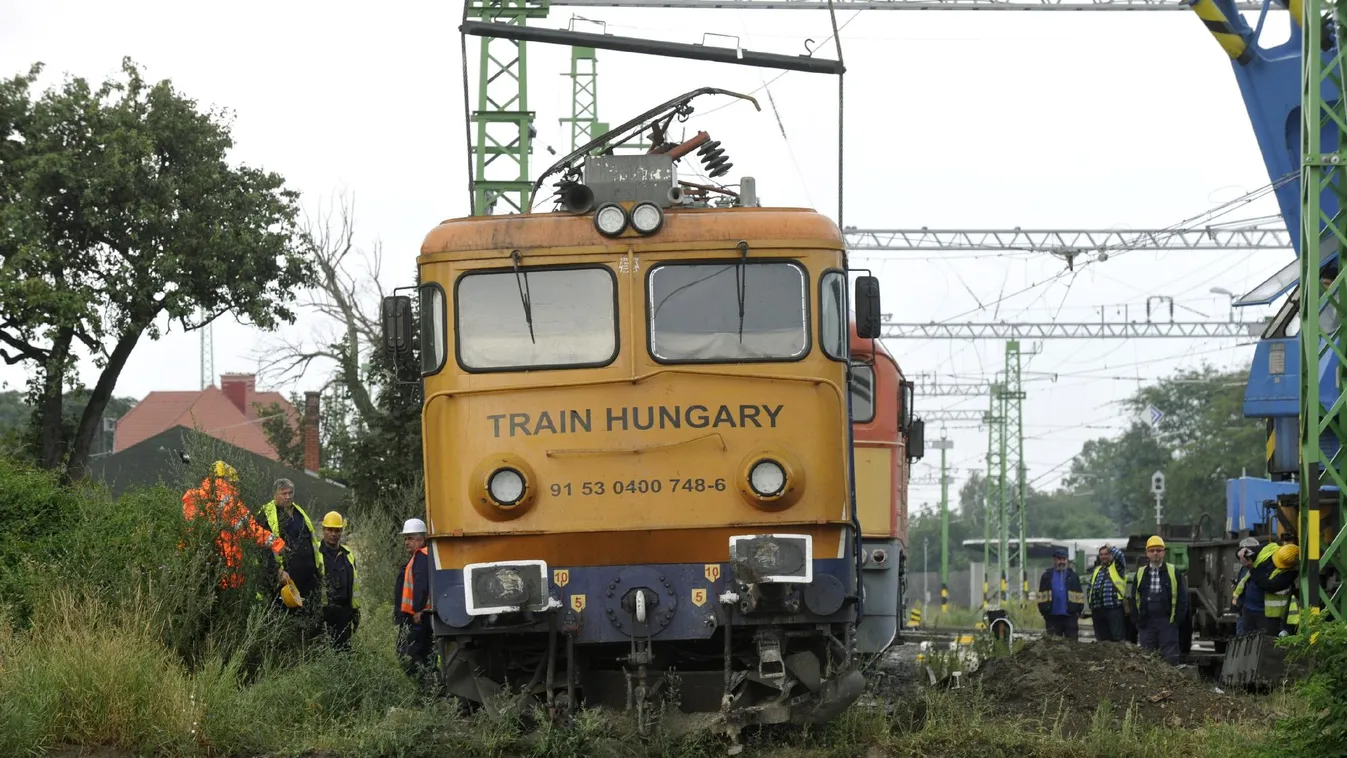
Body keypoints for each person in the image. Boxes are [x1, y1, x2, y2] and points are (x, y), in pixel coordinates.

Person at [182, 460, 286, 591]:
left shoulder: (194, 496)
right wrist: (277, 543)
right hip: (225, 566)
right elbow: (250, 529)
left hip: (194, 563)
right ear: (228, 480)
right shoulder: (229, 501)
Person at [259, 478, 325, 610]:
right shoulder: (267, 514)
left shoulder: (299, 512)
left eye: (290, 493)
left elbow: (311, 539)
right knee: (288, 617)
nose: (288, 497)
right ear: (275, 494)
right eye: (284, 494)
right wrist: (277, 571)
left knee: (311, 616)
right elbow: (261, 547)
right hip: (286, 579)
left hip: (309, 577)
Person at [1130, 535, 1188, 665]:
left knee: (1170, 659)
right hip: (1147, 622)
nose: (1155, 553)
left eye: (1158, 550)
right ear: (1147, 554)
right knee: (1147, 660)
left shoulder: (1173, 572)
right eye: (1152, 550)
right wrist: (1138, 622)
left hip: (1167, 622)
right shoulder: (1140, 573)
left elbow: (1183, 600)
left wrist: (1175, 622)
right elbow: (1134, 599)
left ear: (1164, 552)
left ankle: (1171, 685)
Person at [394, 517, 433, 679]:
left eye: (410, 538)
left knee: (408, 654)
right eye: (405, 538)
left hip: (416, 617)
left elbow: (421, 585)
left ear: (421, 539)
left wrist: (417, 609)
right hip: (418, 616)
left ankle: (427, 687)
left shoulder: (421, 557)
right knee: (423, 653)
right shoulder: (422, 556)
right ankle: (431, 688)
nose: (406, 542)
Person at [318, 511, 361, 652]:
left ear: (341, 531)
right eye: (329, 530)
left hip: (344, 613)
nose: (333, 534)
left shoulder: (348, 554)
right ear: (323, 530)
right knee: (322, 653)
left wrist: (355, 610)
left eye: (337, 530)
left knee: (344, 653)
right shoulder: (316, 552)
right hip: (323, 613)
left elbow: (353, 583)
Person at [1037, 548, 1084, 640]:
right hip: (1052, 617)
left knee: (1072, 645)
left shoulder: (1073, 576)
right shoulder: (1046, 576)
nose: (1062, 561)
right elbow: (1041, 596)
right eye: (1059, 559)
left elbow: (1080, 596)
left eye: (1064, 559)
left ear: (1067, 560)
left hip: (1070, 617)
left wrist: (1077, 612)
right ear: (1054, 560)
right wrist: (1044, 612)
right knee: (1053, 645)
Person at [1087, 544, 1127, 642]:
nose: (1104, 556)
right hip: (1098, 610)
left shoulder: (1117, 567)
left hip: (1113, 609)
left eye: (1106, 554)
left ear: (1111, 555)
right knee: (1101, 640)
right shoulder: (1097, 570)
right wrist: (1091, 603)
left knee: (1116, 639)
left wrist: (1110, 547)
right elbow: (1090, 588)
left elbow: (1120, 556)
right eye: (1101, 554)